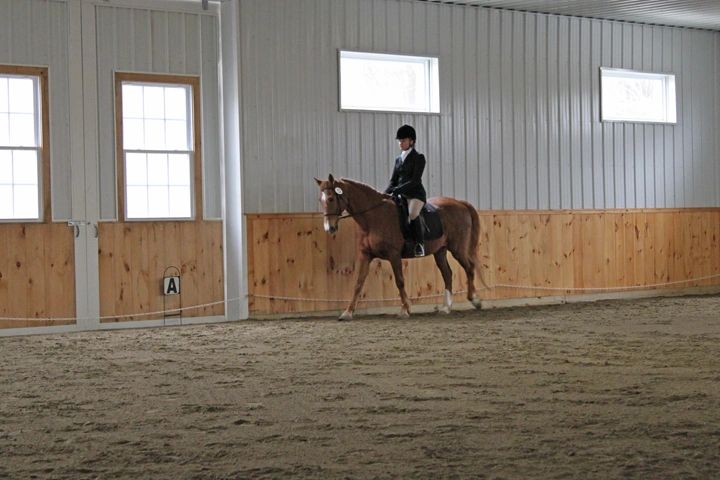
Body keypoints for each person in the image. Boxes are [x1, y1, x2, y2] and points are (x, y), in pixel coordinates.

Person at [384, 124, 427, 257]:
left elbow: (414, 180)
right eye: (399, 141)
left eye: (403, 140)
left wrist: (397, 190)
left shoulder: (419, 157)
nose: (400, 143)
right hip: (400, 195)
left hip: (415, 195)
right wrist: (384, 193)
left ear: (411, 141)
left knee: (413, 213)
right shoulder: (398, 159)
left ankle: (420, 244)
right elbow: (393, 180)